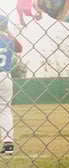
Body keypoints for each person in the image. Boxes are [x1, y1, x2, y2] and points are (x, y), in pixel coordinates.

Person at [0, 14, 22, 155]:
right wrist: (7, 30)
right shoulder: (8, 41)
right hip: (5, 77)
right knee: (5, 109)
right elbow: (20, 48)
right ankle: (8, 145)